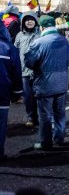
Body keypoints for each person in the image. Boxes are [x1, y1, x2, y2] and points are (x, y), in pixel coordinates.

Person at [25, 15, 69, 150]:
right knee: (60, 113)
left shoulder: (39, 42)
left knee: (45, 115)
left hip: (45, 84)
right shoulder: (64, 41)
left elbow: (30, 63)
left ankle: (46, 142)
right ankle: (59, 138)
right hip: (62, 82)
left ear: (42, 27)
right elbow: (68, 60)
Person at [0, 20, 22, 161]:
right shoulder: (9, 48)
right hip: (2, 92)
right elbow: (16, 73)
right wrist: (17, 92)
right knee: (1, 124)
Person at [14, 12, 40, 127]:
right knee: (28, 97)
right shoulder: (19, 35)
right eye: (27, 20)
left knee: (39, 97)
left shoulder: (41, 34)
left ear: (36, 21)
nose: (29, 22)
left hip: (38, 72)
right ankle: (31, 117)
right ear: (23, 22)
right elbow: (15, 51)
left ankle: (40, 117)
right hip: (24, 72)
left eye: (32, 19)